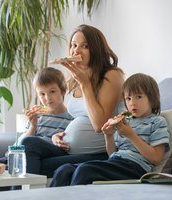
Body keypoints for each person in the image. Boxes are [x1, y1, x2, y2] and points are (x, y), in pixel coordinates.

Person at [20, 24, 126, 178]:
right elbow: (74, 119)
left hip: (98, 153)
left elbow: (99, 124)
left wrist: (85, 84)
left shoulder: (111, 75)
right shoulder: (74, 80)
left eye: (85, 46)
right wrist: (56, 136)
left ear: (96, 49)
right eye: (74, 45)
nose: (76, 51)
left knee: (30, 164)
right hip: (66, 148)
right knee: (27, 144)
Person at [50, 73, 170, 186]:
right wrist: (109, 135)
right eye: (128, 98)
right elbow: (112, 153)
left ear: (152, 98)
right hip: (116, 162)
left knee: (85, 171)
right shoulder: (126, 121)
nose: (132, 103)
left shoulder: (157, 121)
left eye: (138, 97)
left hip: (136, 168)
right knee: (64, 170)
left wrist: (131, 135)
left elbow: (156, 158)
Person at [0, 67, 73, 194]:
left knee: (9, 165)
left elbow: (60, 146)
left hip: (44, 155)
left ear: (63, 91)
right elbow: (24, 142)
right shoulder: (38, 115)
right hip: (22, 155)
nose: (47, 98)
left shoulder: (71, 119)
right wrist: (33, 126)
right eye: (42, 94)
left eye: (52, 92)